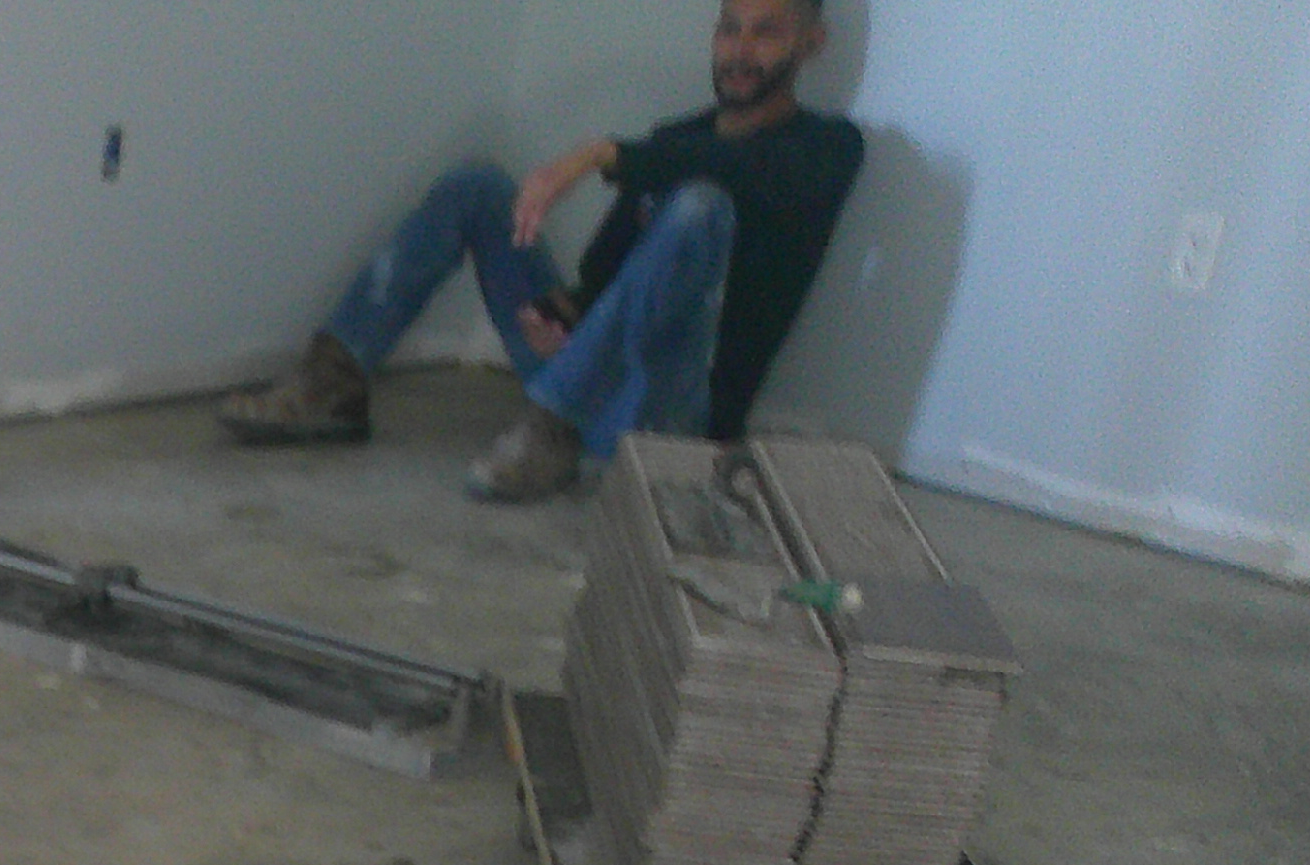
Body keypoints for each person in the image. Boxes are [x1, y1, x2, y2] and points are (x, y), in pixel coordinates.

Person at [218, 0, 865, 502]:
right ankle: (335, 378)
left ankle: (557, 421)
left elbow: (746, 171)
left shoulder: (828, 149)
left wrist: (598, 155)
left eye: (767, 32)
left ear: (812, 43)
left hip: (675, 417)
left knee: (700, 204)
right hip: (591, 377)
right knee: (478, 187)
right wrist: (563, 319)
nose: (741, 50)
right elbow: (601, 279)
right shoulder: (675, 141)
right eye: (730, 29)